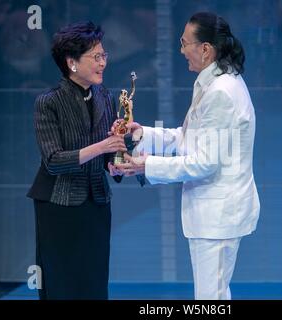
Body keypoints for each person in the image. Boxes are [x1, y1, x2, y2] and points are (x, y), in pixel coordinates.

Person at [114, 12, 260, 300]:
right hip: (213, 213)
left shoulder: (221, 92)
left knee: (210, 300)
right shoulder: (211, 82)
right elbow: (187, 137)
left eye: (184, 44)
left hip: (219, 214)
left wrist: (146, 165)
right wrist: (143, 133)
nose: (181, 51)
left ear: (205, 49)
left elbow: (204, 162)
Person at [27, 21, 127, 300]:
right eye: (95, 57)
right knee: (62, 281)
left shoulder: (105, 97)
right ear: (71, 63)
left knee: (94, 280)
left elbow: (108, 153)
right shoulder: (49, 102)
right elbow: (54, 161)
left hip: (96, 201)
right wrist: (103, 146)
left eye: (104, 55)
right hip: (59, 203)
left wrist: (119, 160)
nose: (103, 63)